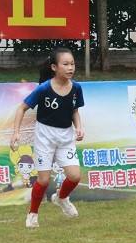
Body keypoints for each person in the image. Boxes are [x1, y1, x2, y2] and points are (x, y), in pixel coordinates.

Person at [10, 47, 85, 229]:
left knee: (74, 176)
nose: (70, 68)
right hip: (45, 136)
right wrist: (16, 132)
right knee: (43, 180)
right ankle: (32, 214)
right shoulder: (44, 89)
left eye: (72, 64)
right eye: (65, 64)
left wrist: (79, 127)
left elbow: (74, 111)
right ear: (54, 67)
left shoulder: (76, 88)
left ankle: (61, 198)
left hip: (66, 136)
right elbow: (21, 108)